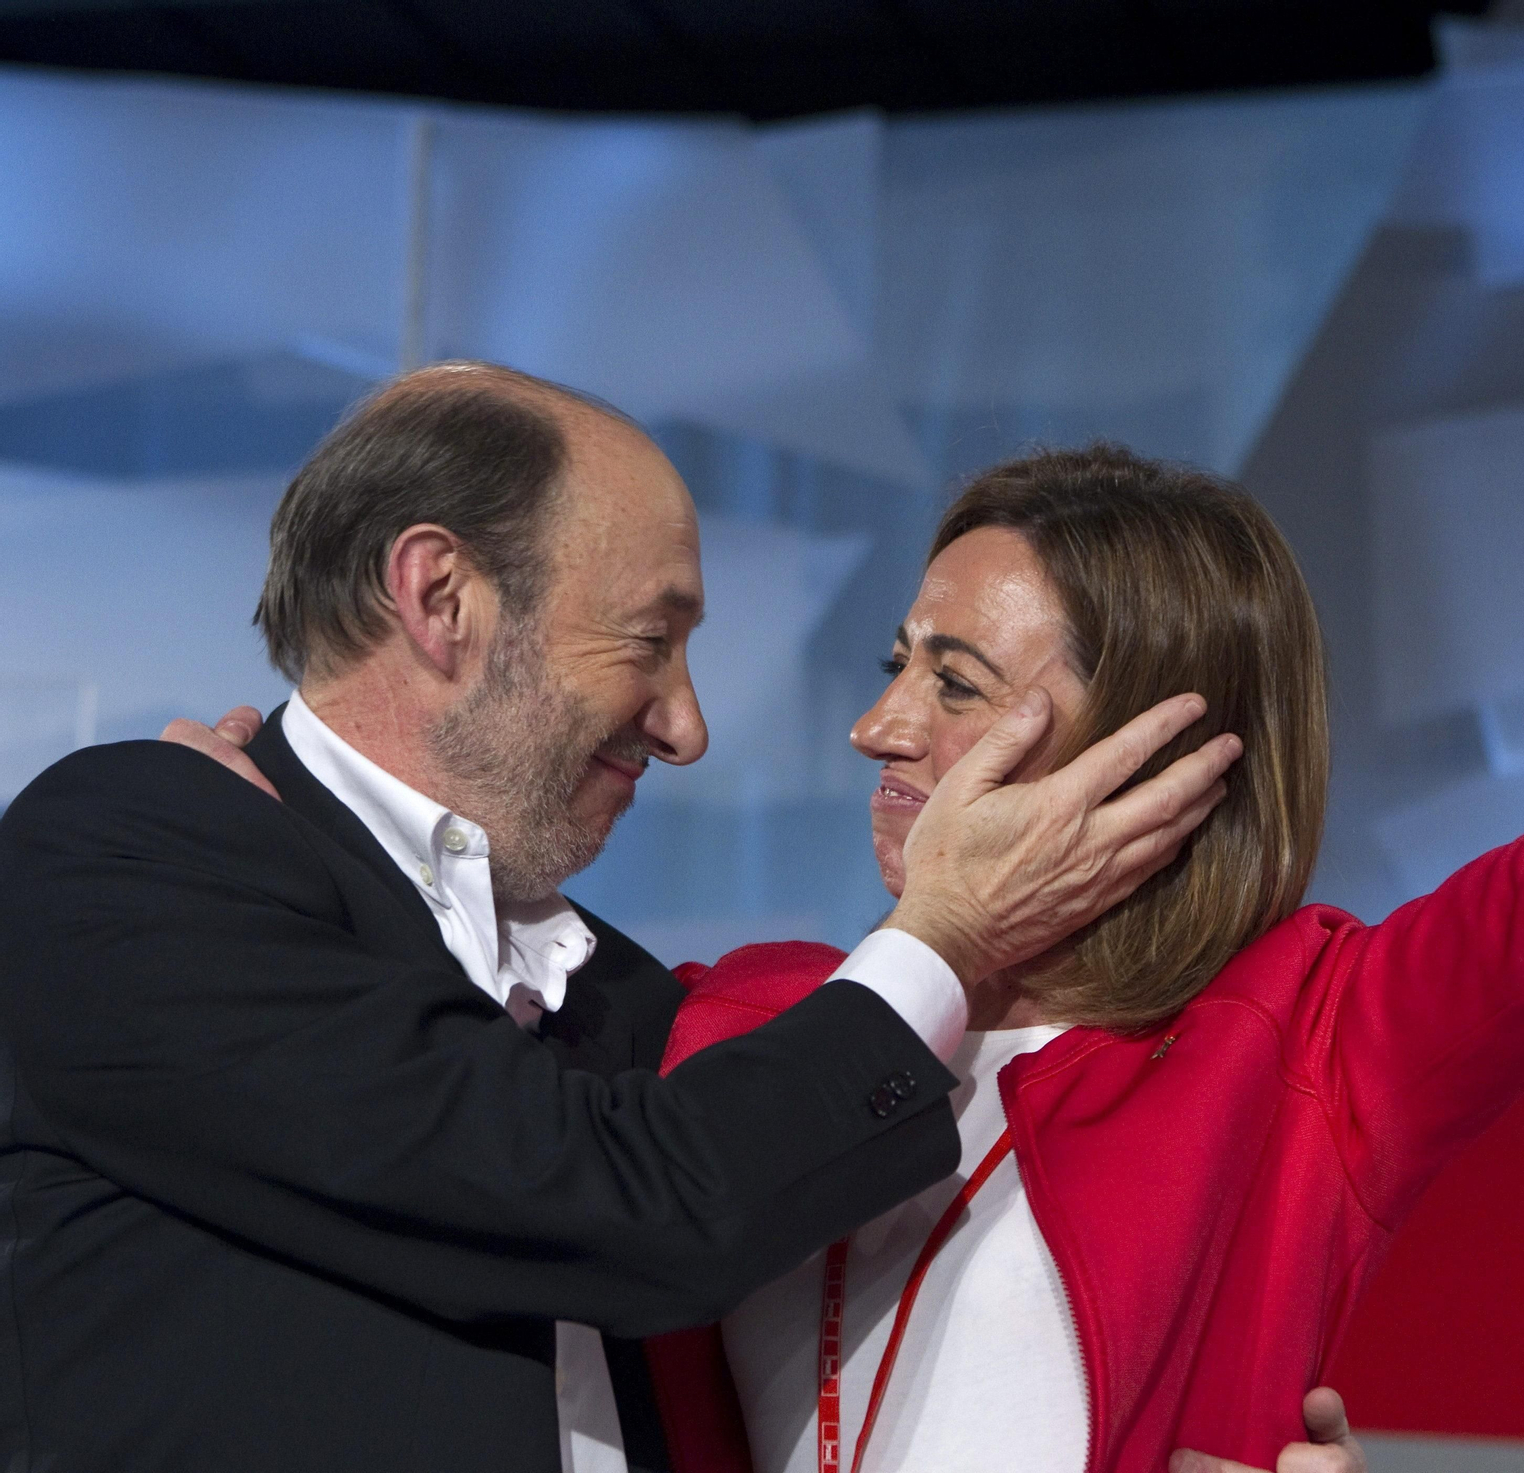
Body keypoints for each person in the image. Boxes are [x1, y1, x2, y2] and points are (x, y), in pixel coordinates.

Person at [627, 33, 1524, 1473]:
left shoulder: (1312, 1044)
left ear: (1152, 738)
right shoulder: (729, 1018)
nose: (880, 726)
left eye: (956, 681)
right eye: (894, 666)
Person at [0, 363, 1246, 1472]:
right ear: (439, 597)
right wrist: (946, 938)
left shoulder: (635, 1009)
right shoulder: (126, 853)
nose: (685, 727)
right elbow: (620, 1203)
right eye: (649, 640)